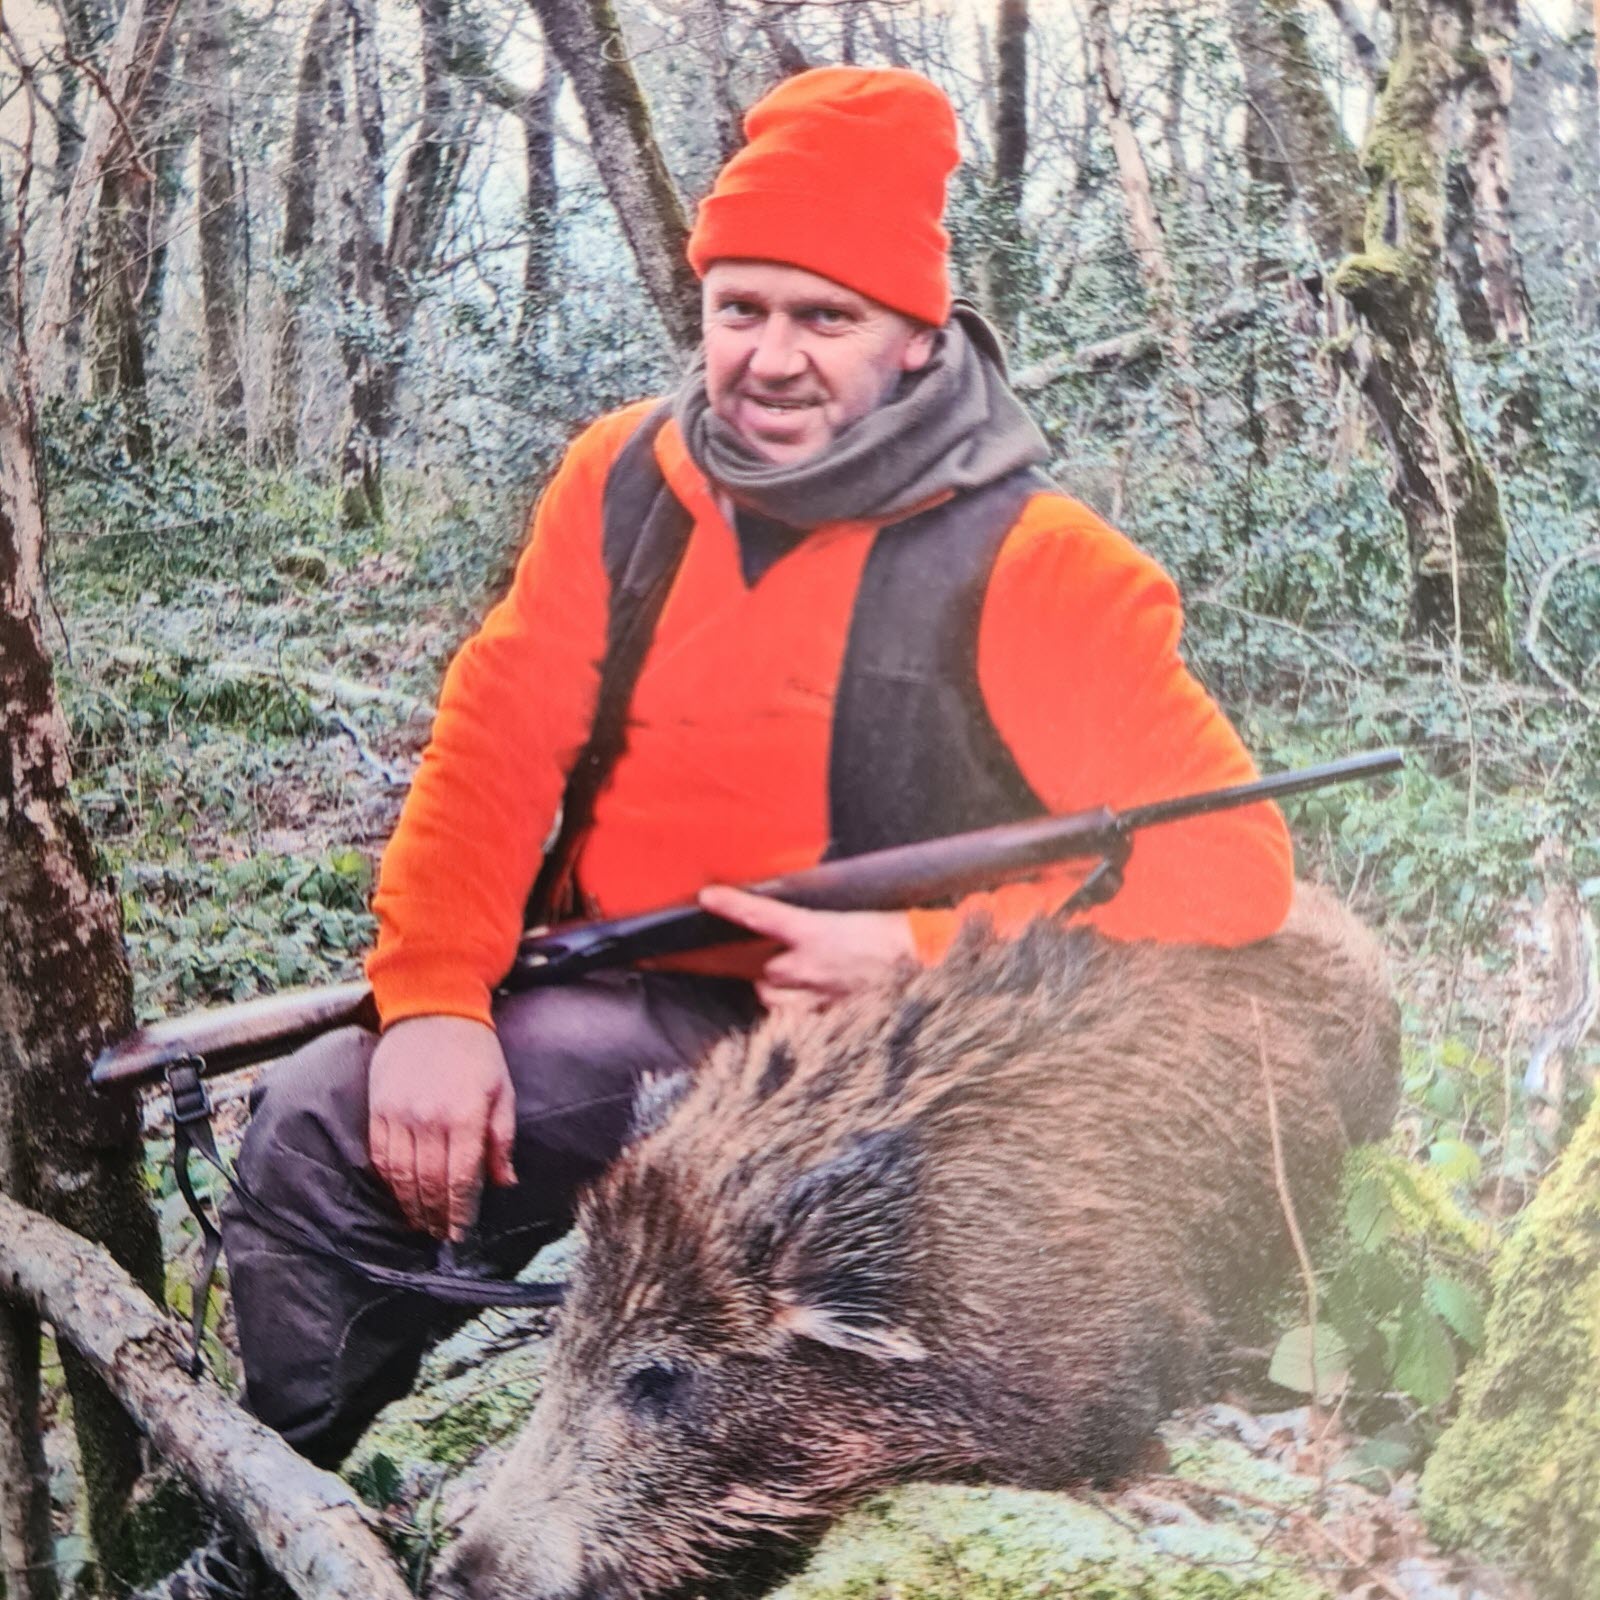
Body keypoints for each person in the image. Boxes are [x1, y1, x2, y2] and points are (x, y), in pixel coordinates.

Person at [221, 64, 1293, 1476]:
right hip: (639, 1002)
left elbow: (1234, 867)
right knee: (322, 1124)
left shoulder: (1044, 567)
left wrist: (922, 954)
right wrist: (431, 1000)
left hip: (887, 1067)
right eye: (741, 309)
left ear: (916, 338)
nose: (770, 358)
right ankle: (306, 1511)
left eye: (825, 317)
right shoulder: (624, 482)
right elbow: (493, 744)